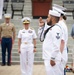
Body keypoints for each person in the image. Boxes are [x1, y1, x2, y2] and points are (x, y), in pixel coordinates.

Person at [38, 10, 62, 75]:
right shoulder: (51, 28)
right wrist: (40, 27)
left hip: (52, 59)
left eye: (48, 17)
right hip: (48, 57)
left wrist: (52, 58)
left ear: (53, 18)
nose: (46, 19)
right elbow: (41, 38)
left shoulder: (56, 29)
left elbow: (56, 45)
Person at [52, 5, 68, 75]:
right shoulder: (61, 24)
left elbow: (62, 41)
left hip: (60, 53)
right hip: (62, 52)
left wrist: (58, 56)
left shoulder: (60, 25)